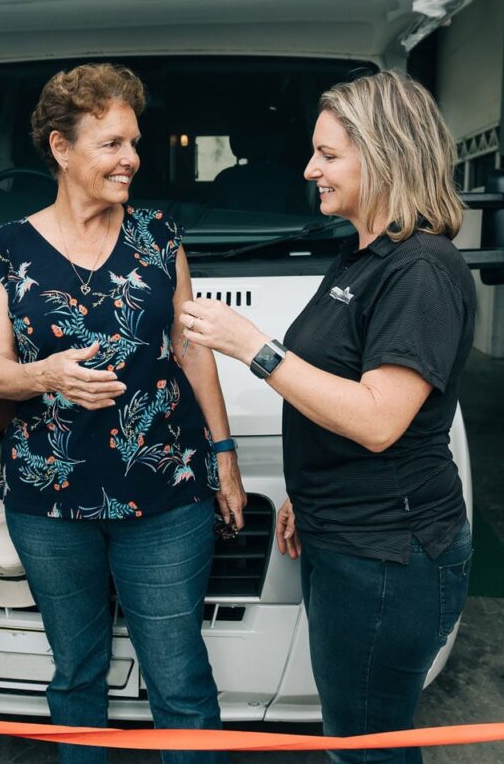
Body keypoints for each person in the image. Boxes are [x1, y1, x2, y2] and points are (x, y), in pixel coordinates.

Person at [179, 70, 474, 764]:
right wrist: (308, 497)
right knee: (352, 733)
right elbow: (337, 388)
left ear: (387, 154)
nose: (309, 169)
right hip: (344, 534)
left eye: (328, 154)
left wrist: (252, 346)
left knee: (364, 747)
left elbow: (378, 419)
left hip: (388, 556)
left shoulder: (421, 271)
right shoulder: (362, 255)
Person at [0, 62, 246, 764]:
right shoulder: (7, 247)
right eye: (112, 144)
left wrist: (225, 456)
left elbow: (190, 348)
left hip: (165, 491)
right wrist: (47, 374)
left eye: (134, 143)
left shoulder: (159, 234)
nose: (131, 158)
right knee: (76, 672)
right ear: (61, 148)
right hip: (48, 498)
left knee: (179, 677)